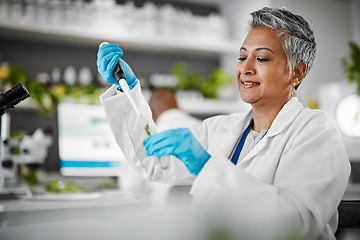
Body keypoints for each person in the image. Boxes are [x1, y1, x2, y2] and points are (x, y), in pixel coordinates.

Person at [97, 7, 350, 240]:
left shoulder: (316, 131)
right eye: (242, 57)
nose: (246, 68)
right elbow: (154, 162)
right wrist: (127, 91)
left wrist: (206, 166)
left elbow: (296, 224)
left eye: (261, 58)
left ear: (296, 72)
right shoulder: (223, 128)